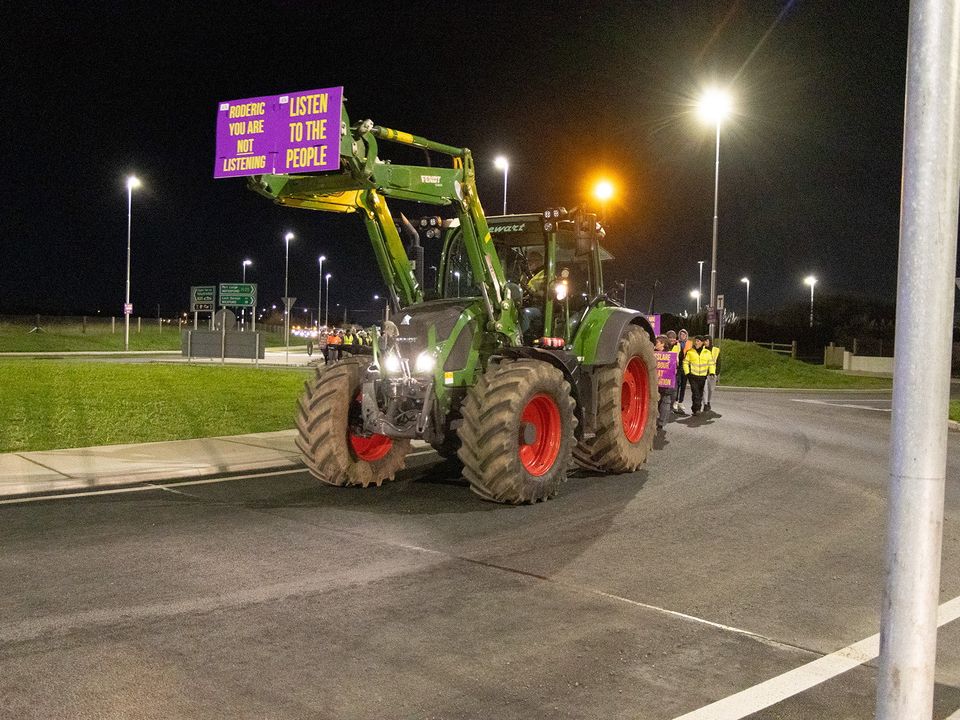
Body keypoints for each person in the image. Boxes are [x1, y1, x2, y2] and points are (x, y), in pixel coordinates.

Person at [683, 335, 713, 415]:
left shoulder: (707, 352)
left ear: (702, 342)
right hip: (693, 376)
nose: (696, 343)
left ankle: (695, 408)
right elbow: (685, 363)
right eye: (695, 341)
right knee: (696, 392)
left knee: (699, 393)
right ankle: (697, 409)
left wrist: (712, 372)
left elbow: (711, 363)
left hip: (703, 376)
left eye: (698, 341)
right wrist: (687, 373)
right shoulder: (690, 352)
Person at [654, 335, 676, 431]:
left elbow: (674, 368)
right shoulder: (652, 354)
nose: (655, 344)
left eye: (657, 342)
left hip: (665, 384)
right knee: (657, 402)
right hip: (656, 383)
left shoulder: (671, 355)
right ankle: (656, 421)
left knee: (665, 402)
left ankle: (661, 423)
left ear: (662, 344)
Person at [673, 329, 691, 414]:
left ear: (686, 335)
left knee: (683, 385)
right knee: (678, 384)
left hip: (686, 366)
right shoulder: (677, 343)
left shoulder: (690, 343)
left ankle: (681, 401)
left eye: (684, 335)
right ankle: (675, 401)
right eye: (681, 334)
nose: (682, 336)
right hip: (678, 366)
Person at [704, 336, 721, 412]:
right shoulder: (702, 350)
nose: (705, 342)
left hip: (712, 373)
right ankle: (705, 404)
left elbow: (719, 362)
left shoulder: (716, 350)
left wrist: (716, 373)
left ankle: (708, 402)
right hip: (703, 372)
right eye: (704, 341)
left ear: (710, 341)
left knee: (710, 389)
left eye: (706, 341)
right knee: (704, 389)